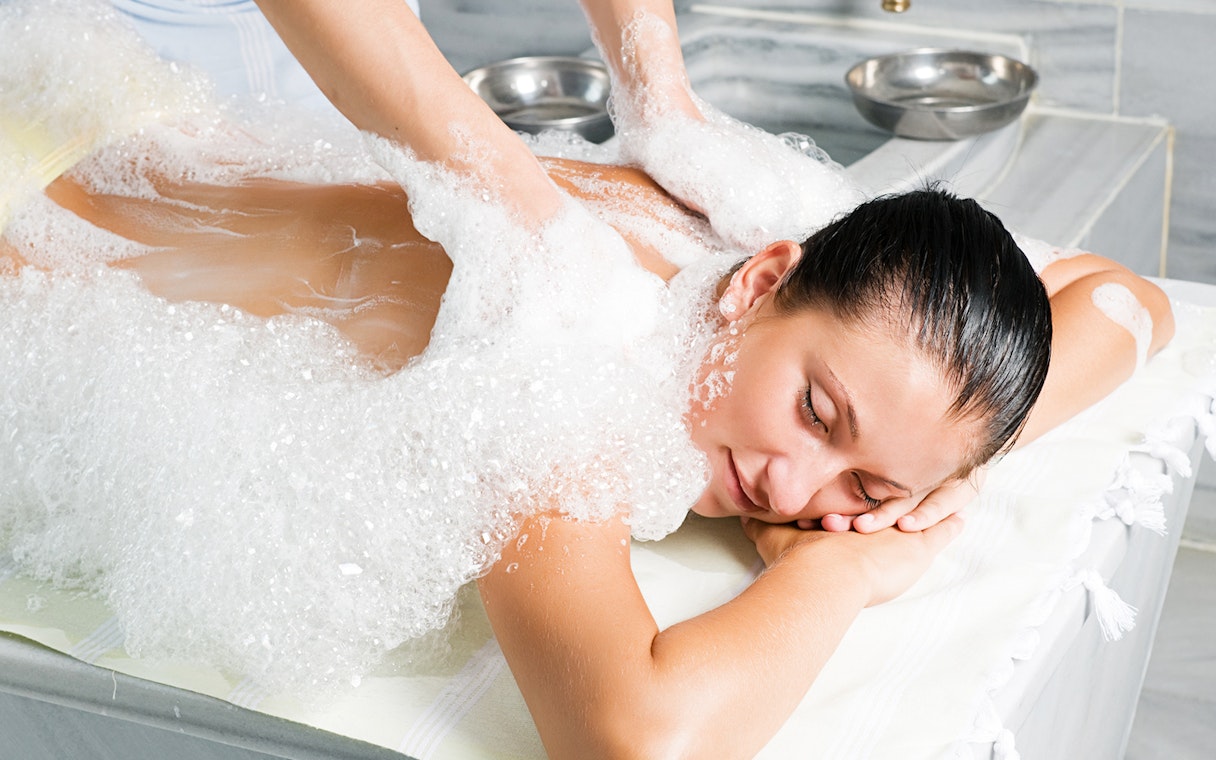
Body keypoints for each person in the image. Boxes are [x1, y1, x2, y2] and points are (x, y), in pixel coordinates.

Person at [0, 1, 1174, 757]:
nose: (789, 484)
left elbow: (1129, 302)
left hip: (119, 124)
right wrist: (852, 563)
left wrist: (937, 465)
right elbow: (634, 736)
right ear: (761, 280)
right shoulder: (566, 341)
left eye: (856, 480)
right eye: (818, 415)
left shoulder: (750, 229)